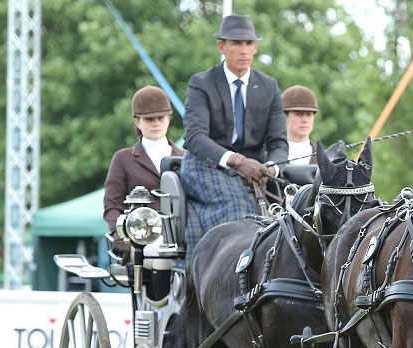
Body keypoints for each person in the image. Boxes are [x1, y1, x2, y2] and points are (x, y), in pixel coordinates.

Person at [179, 13, 288, 252]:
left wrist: (270, 168)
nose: (244, 50)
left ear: (256, 48)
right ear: (222, 47)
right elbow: (195, 138)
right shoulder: (202, 83)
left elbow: (279, 144)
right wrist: (237, 161)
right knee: (240, 210)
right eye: (237, 43)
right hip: (205, 165)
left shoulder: (269, 87)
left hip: (254, 172)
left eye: (249, 43)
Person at [103, 85, 183, 298]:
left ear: (169, 119)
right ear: (137, 121)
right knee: (162, 253)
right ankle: (161, 308)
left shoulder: (185, 158)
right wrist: (118, 236)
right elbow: (112, 205)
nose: (156, 123)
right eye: (149, 119)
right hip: (142, 238)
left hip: (181, 234)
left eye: (161, 117)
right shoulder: (123, 159)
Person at [281, 85, 318, 165]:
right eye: (299, 114)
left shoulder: (327, 159)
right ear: (285, 117)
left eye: (309, 115)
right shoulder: (268, 158)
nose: (305, 120)